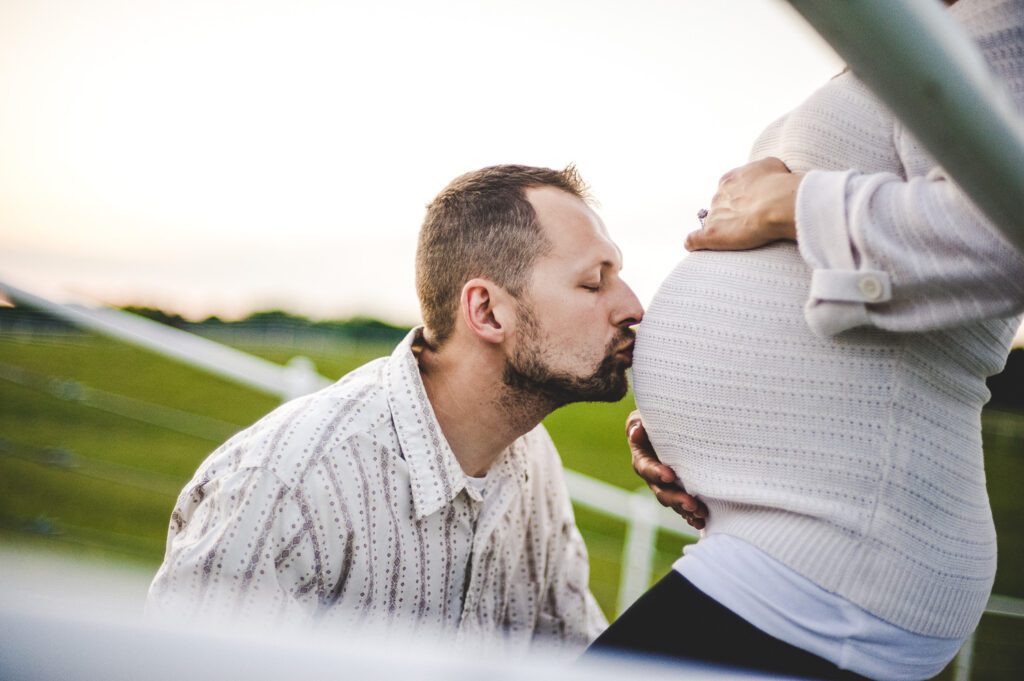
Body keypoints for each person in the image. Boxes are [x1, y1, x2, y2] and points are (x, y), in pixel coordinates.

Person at [588, 0, 1024, 679]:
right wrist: (705, 451)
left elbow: (1004, 238)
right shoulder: (895, 47)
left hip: (846, 560)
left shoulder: (994, 17)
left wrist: (789, 204)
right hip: (785, 540)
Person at [147, 164, 644, 653]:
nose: (633, 307)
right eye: (593, 283)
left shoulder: (531, 460)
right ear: (487, 312)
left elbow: (574, 660)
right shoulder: (285, 488)